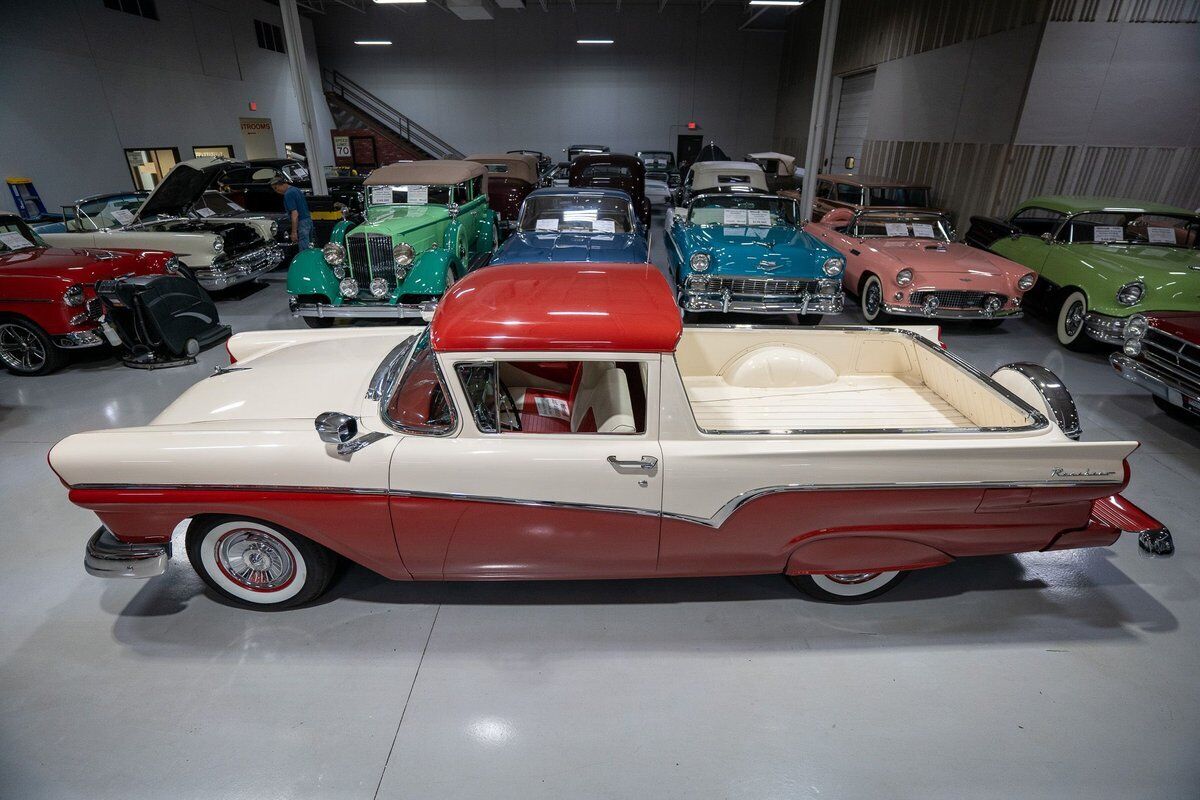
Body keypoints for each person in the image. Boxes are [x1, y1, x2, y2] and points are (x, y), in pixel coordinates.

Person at [271, 176, 312, 250]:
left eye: (276, 188)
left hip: (302, 223)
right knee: (310, 247)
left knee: (304, 251)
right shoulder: (296, 190)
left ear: (282, 184)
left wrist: (294, 232)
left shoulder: (288, 194)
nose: (276, 191)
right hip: (308, 221)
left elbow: (295, 214)